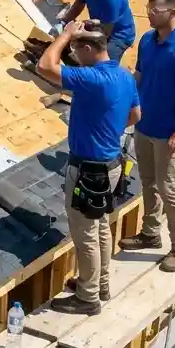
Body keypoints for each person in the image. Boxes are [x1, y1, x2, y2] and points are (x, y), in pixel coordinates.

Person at [36, 20, 140, 316]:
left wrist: (65, 34)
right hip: (111, 166)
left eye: (75, 50)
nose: (73, 56)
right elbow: (135, 114)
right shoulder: (123, 75)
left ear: (87, 48)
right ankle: (100, 283)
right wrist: (107, 126)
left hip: (88, 170)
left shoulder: (92, 78)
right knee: (101, 226)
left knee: (85, 235)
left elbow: (46, 66)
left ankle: (88, 297)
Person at [118, 0, 175, 273]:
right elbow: (140, 76)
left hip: (169, 134)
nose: (148, 13)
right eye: (148, 7)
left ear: (172, 13)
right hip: (144, 127)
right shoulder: (147, 40)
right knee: (148, 184)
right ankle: (150, 233)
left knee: (170, 190)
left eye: (155, 10)